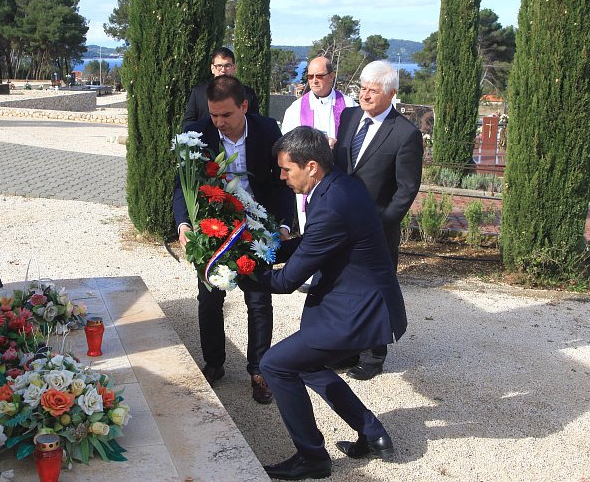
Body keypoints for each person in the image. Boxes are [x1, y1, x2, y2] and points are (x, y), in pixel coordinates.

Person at [239, 126, 406, 480]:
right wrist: (262, 252)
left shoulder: (330, 203)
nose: (281, 177)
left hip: (359, 311)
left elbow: (286, 282)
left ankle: (312, 457)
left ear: (311, 166)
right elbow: (311, 243)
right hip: (351, 299)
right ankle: (372, 432)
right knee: (307, 364)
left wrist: (241, 272)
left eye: (287, 169)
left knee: (276, 365)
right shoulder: (336, 186)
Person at [173, 75, 296, 404]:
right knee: (209, 299)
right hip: (214, 228)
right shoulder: (198, 133)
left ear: (243, 106)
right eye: (214, 115)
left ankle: (259, 369)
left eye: (226, 115)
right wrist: (184, 224)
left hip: (257, 228)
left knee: (258, 301)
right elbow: (181, 184)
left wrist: (283, 226)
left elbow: (283, 183)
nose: (219, 123)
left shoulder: (268, 130)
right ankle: (214, 362)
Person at [332, 59, 423, 381]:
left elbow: (406, 188)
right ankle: (346, 349)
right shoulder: (349, 116)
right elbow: (340, 166)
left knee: (374, 290)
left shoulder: (405, 134)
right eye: (362, 89)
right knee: (343, 287)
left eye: (372, 90)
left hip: (377, 230)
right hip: (340, 224)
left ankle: (374, 356)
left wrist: (381, 224)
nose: (365, 96)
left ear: (391, 94)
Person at [280, 56, 355, 235]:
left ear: (331, 76)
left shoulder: (349, 106)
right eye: (310, 76)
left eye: (319, 76)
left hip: (339, 177)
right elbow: (286, 146)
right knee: (313, 232)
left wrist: (337, 145)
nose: (314, 80)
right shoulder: (296, 109)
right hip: (309, 180)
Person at [183, 47, 259, 128]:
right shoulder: (198, 93)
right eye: (219, 66)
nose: (223, 70)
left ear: (234, 68)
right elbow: (188, 122)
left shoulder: (248, 93)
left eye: (227, 66)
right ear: (212, 68)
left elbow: (254, 123)